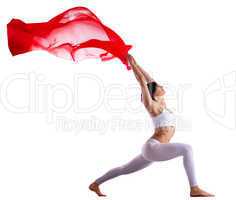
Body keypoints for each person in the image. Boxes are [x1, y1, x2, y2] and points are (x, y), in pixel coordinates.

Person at [89, 54, 215, 197]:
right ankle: (194, 188)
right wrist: (132, 66)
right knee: (187, 148)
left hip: (152, 150)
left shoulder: (162, 104)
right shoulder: (153, 106)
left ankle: (95, 184)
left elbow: (149, 80)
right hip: (154, 148)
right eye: (158, 86)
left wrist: (136, 63)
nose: (160, 85)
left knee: (124, 169)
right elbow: (143, 82)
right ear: (153, 94)